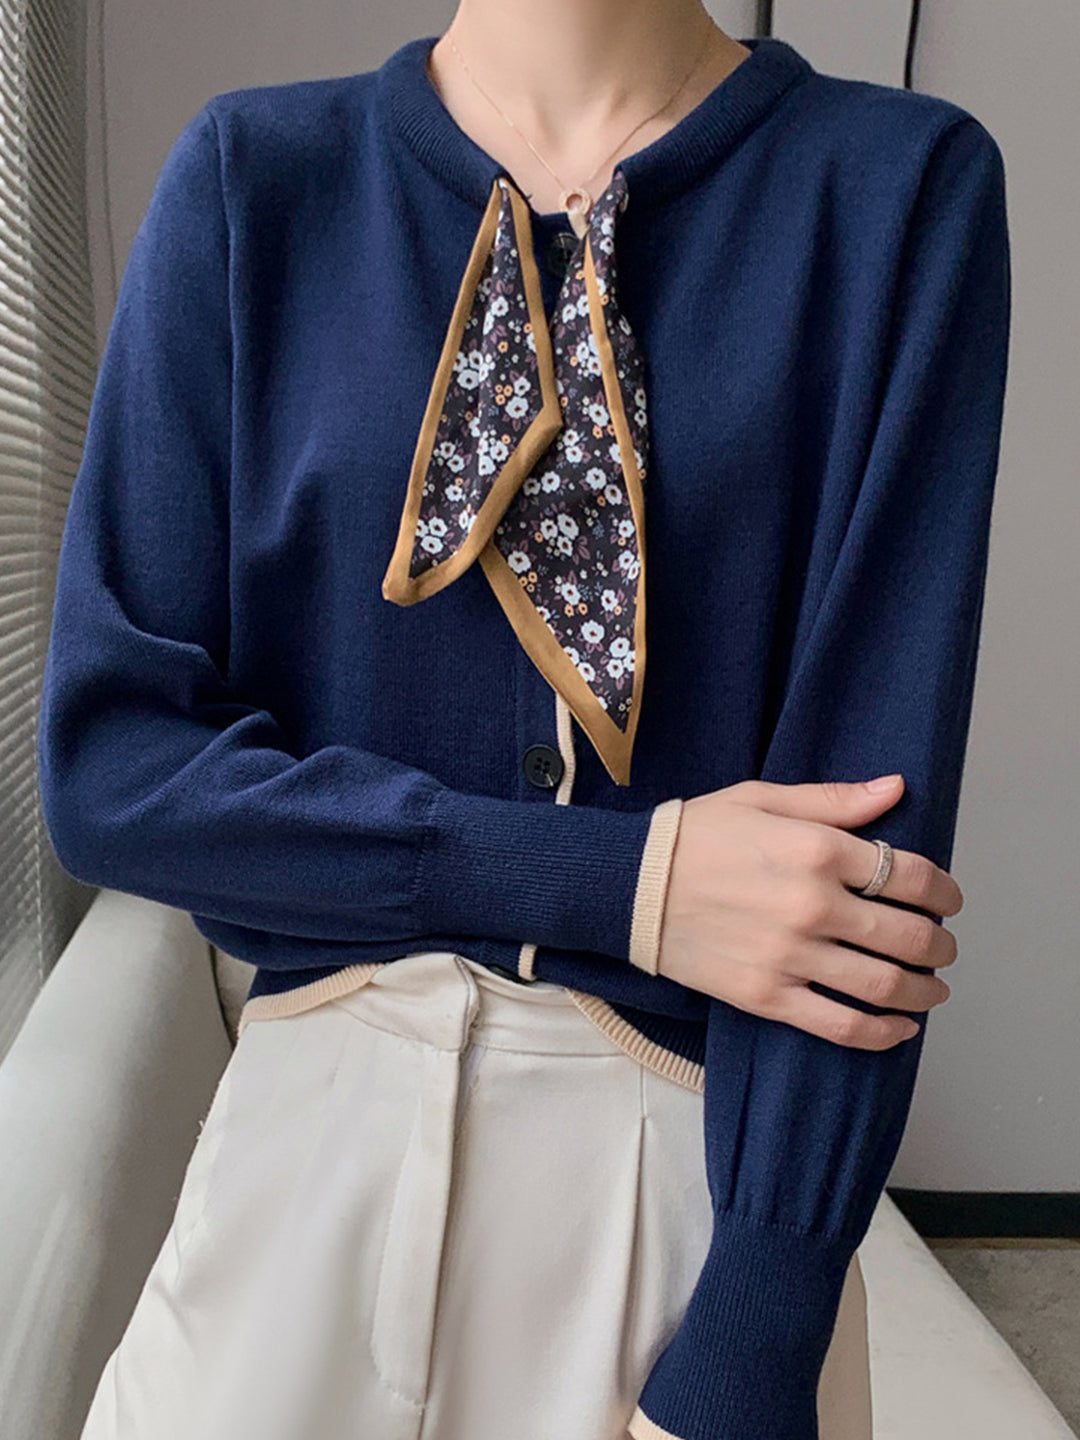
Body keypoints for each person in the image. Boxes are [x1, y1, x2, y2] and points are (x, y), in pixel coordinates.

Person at [38, 2, 1010, 1438]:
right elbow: (114, 771)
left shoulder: (895, 190)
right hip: (298, 1170)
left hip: (680, 1195)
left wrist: (756, 1337)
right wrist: (626, 884)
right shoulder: (255, 180)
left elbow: (863, 878)